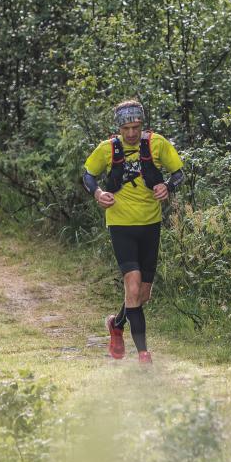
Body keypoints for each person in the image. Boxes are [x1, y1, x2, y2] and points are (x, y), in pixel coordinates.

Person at [82, 99, 184, 363]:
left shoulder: (157, 144)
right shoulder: (108, 149)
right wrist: (98, 192)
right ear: (119, 127)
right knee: (133, 283)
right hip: (121, 225)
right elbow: (88, 175)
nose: (130, 133)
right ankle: (143, 354)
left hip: (150, 224)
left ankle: (116, 324)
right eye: (126, 128)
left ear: (142, 125)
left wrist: (168, 187)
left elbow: (178, 173)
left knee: (142, 294)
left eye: (135, 127)